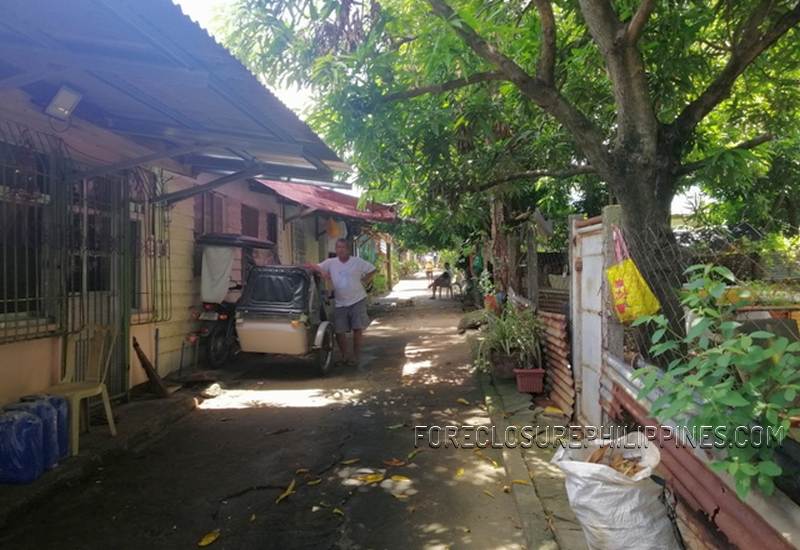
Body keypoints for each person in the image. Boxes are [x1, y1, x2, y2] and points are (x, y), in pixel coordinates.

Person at [307, 238, 376, 366]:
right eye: (338, 247)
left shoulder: (357, 262)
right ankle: (345, 356)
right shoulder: (331, 262)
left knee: (357, 329)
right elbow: (311, 266)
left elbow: (372, 269)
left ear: (348, 249)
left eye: (343, 247)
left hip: (357, 299)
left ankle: (355, 357)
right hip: (340, 302)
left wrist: (365, 280)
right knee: (339, 331)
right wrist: (323, 272)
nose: (340, 250)